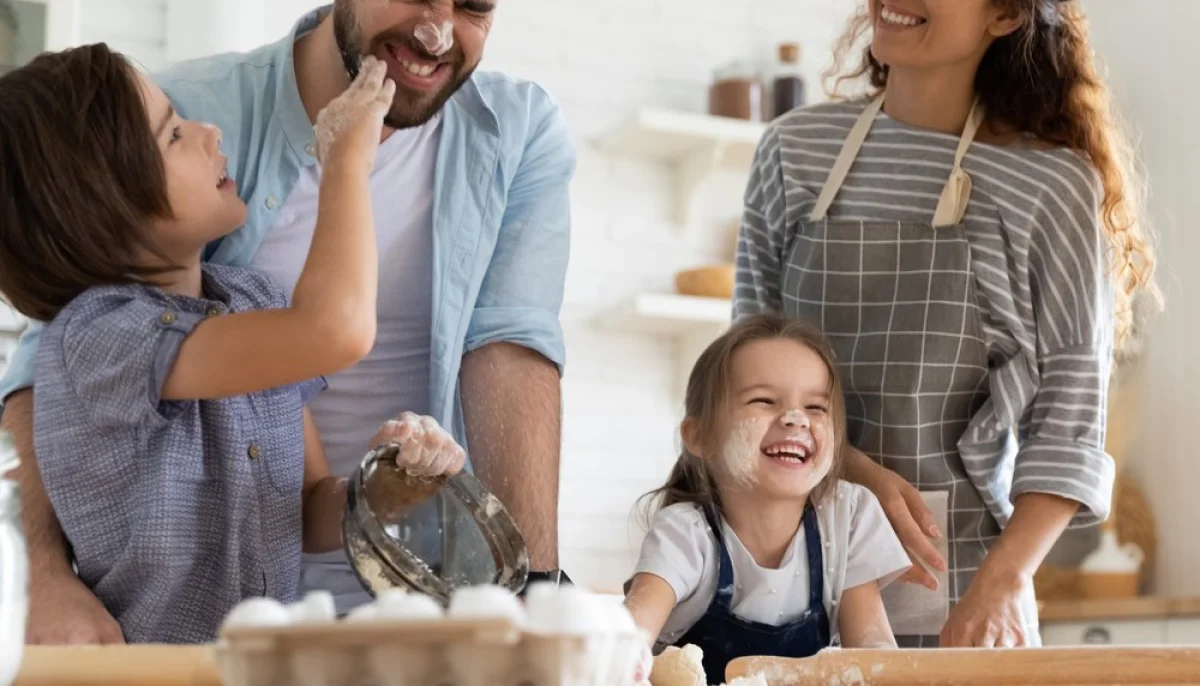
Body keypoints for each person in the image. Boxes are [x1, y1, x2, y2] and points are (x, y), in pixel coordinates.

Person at [0, 0, 574, 644]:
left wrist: (384, 490)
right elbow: (335, 332)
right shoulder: (100, 338)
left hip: (292, 648)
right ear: (98, 206)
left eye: (472, 3)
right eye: (174, 135)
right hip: (153, 665)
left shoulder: (252, 301)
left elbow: (304, 505)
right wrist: (346, 166)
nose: (208, 132)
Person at [734, 0, 1158, 648]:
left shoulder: (1049, 188)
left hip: (963, 596)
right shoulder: (794, 153)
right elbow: (739, 377)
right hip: (785, 582)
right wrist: (844, 466)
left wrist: (1004, 583)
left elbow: (1069, 427)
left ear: (1005, 17)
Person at [624, 315, 911, 682]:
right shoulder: (687, 534)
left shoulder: (848, 518)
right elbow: (626, 642)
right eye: (763, 400)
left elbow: (874, 658)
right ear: (699, 436)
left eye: (815, 407)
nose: (796, 419)